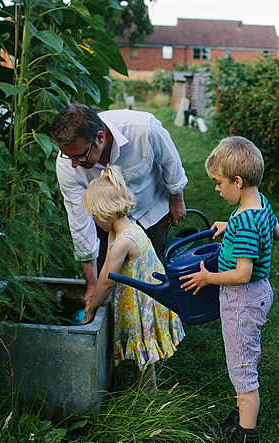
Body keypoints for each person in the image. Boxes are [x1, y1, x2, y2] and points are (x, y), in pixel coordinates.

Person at [180, 136, 279, 443]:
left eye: (219, 183)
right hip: (256, 295)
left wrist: (209, 277)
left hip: (243, 299)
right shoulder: (258, 204)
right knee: (242, 363)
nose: (217, 189)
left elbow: (242, 274)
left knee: (242, 370)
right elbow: (276, 231)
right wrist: (232, 224)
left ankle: (245, 439)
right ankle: (241, 419)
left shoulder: (247, 220)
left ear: (237, 181)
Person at [49, 104, 188, 307]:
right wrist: (91, 284)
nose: (74, 164)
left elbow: (171, 162)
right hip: (106, 221)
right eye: (68, 156)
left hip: (151, 208)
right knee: (109, 277)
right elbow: (79, 221)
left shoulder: (144, 128)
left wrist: (177, 199)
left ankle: (149, 314)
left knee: (148, 272)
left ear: (99, 137)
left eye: (79, 155)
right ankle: (118, 322)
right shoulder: (67, 164)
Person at [80, 164, 185, 391]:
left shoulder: (124, 241)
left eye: (94, 217)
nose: (95, 222)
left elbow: (108, 280)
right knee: (142, 352)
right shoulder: (122, 230)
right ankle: (143, 394)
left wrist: (91, 309)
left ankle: (148, 399)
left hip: (146, 300)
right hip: (146, 294)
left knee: (144, 354)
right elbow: (108, 266)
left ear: (103, 214)